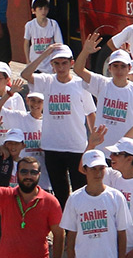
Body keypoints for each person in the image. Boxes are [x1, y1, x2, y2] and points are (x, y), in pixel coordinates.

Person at [18, 43, 94, 196]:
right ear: (52, 64)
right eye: (57, 63)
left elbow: (91, 113)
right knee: (60, 193)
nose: (61, 67)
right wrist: (45, 54)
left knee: (80, 191)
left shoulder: (80, 84)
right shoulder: (47, 81)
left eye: (64, 63)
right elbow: (25, 74)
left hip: (76, 147)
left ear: (71, 63)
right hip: (52, 146)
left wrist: (93, 141)